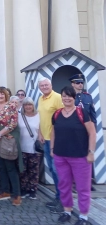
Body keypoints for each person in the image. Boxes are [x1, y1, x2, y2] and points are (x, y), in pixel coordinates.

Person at [51, 86, 96, 225]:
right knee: (64, 185)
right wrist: (52, 148)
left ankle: (83, 216)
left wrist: (91, 152)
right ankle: (67, 211)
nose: (67, 98)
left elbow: (92, 133)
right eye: (64, 96)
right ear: (61, 97)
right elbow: (53, 132)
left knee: (83, 187)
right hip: (60, 156)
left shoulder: (82, 112)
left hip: (80, 157)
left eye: (69, 96)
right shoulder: (57, 113)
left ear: (74, 97)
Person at [0, 86, 23, 206]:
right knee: (0, 166)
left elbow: (13, 123)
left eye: (2, 94)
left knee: (10, 166)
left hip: (6, 139)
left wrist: (0, 134)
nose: (0, 96)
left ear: (5, 95)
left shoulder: (11, 107)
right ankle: (5, 191)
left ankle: (16, 194)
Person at [37, 77, 64, 211]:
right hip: (46, 139)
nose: (44, 87)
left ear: (51, 85)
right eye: (42, 85)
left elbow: (64, 116)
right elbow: (41, 118)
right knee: (53, 170)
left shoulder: (58, 97)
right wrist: (40, 134)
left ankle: (63, 200)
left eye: (46, 85)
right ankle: (58, 196)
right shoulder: (41, 99)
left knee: (58, 170)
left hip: (57, 140)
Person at [69, 74, 97, 192]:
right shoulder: (69, 97)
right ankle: (75, 183)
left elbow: (92, 113)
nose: (80, 85)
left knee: (87, 156)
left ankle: (87, 182)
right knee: (74, 156)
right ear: (72, 84)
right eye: (77, 83)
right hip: (74, 130)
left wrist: (93, 129)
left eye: (81, 83)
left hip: (86, 130)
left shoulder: (87, 97)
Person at [18, 97, 41, 199]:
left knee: (33, 170)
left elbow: (40, 129)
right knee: (23, 170)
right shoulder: (20, 116)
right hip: (22, 146)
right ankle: (24, 189)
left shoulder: (38, 116)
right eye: (26, 105)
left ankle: (33, 190)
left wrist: (41, 137)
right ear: (23, 106)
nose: (28, 107)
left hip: (34, 147)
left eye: (30, 105)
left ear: (33, 106)